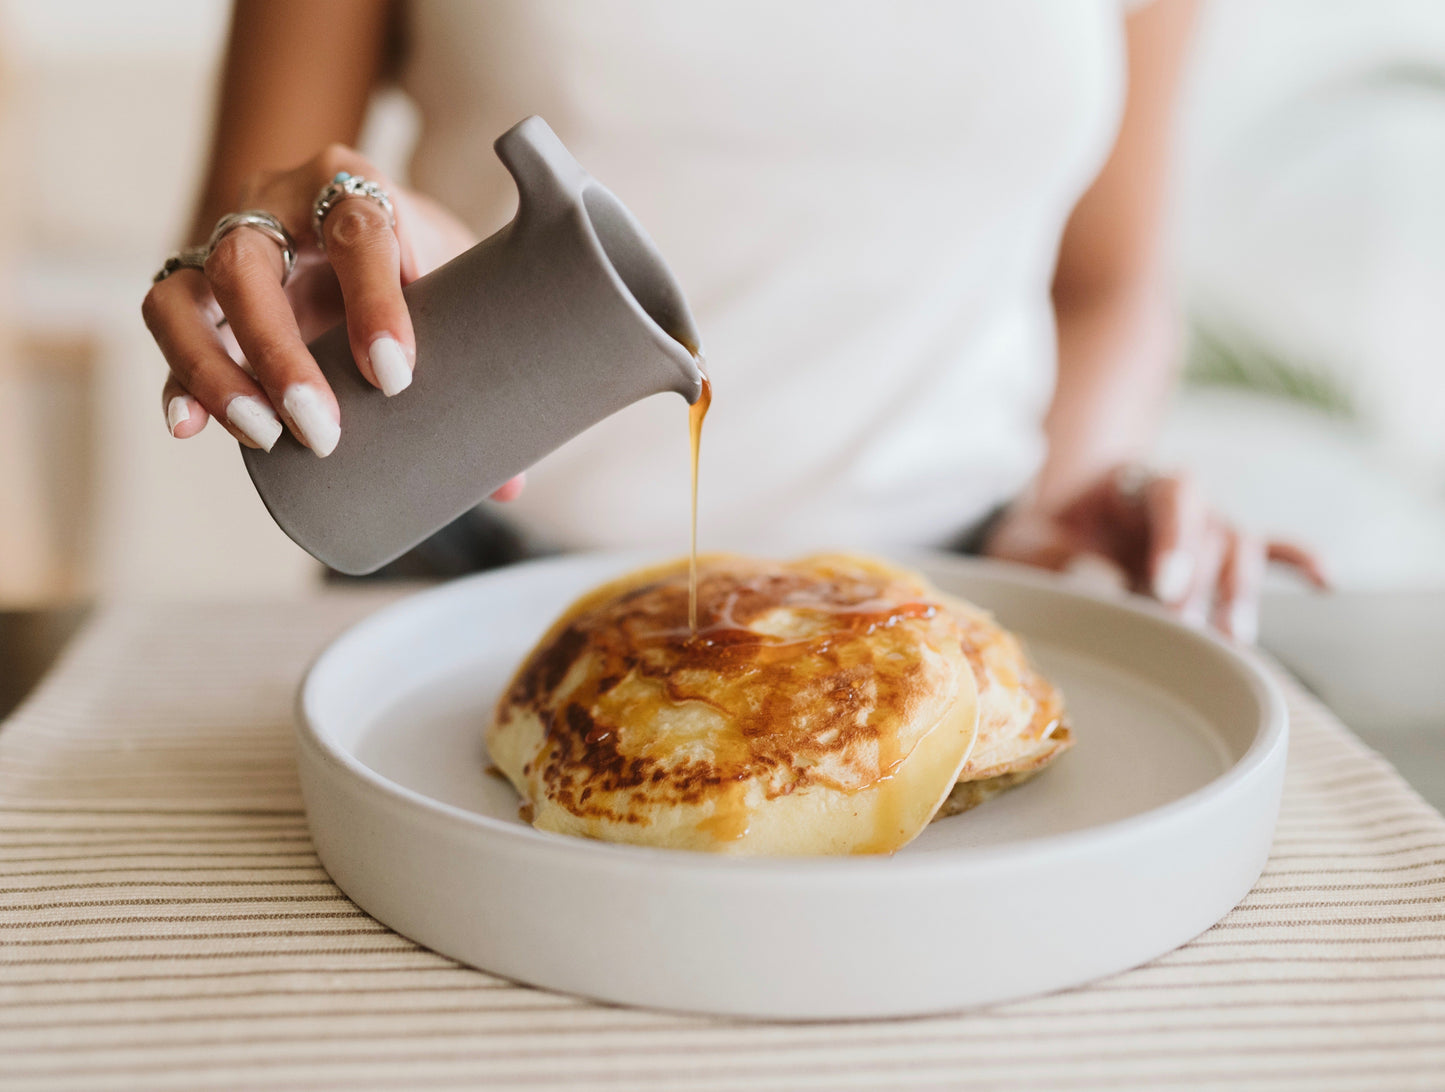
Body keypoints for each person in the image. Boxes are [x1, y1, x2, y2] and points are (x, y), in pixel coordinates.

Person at [141, 0, 1326, 641]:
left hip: (945, 604)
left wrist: (1066, 497)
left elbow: (1108, 283)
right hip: (465, 608)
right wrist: (291, 247)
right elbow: (251, 217)